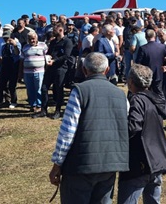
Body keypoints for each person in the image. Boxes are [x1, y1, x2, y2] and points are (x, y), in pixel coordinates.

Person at [49, 52, 129, 204]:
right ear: (106, 71)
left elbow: (68, 131)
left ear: (84, 70)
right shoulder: (120, 95)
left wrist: (57, 164)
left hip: (81, 164)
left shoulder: (79, 91)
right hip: (110, 163)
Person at [118, 64, 166, 204]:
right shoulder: (155, 98)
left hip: (141, 161)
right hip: (157, 159)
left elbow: (133, 126)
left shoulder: (137, 99)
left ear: (131, 81)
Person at [38, 23, 74, 119]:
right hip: (50, 67)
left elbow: (66, 56)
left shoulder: (67, 42)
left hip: (61, 68)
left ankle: (58, 111)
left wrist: (54, 61)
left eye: (55, 29)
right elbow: (49, 53)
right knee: (44, 88)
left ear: (61, 30)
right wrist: (47, 58)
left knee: (58, 89)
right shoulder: (53, 42)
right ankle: (43, 110)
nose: (53, 31)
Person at [134, 29, 166, 97]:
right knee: (159, 94)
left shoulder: (143, 48)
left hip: (146, 76)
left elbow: (138, 63)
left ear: (146, 37)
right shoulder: (162, 47)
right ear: (155, 36)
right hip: (159, 74)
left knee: (147, 95)